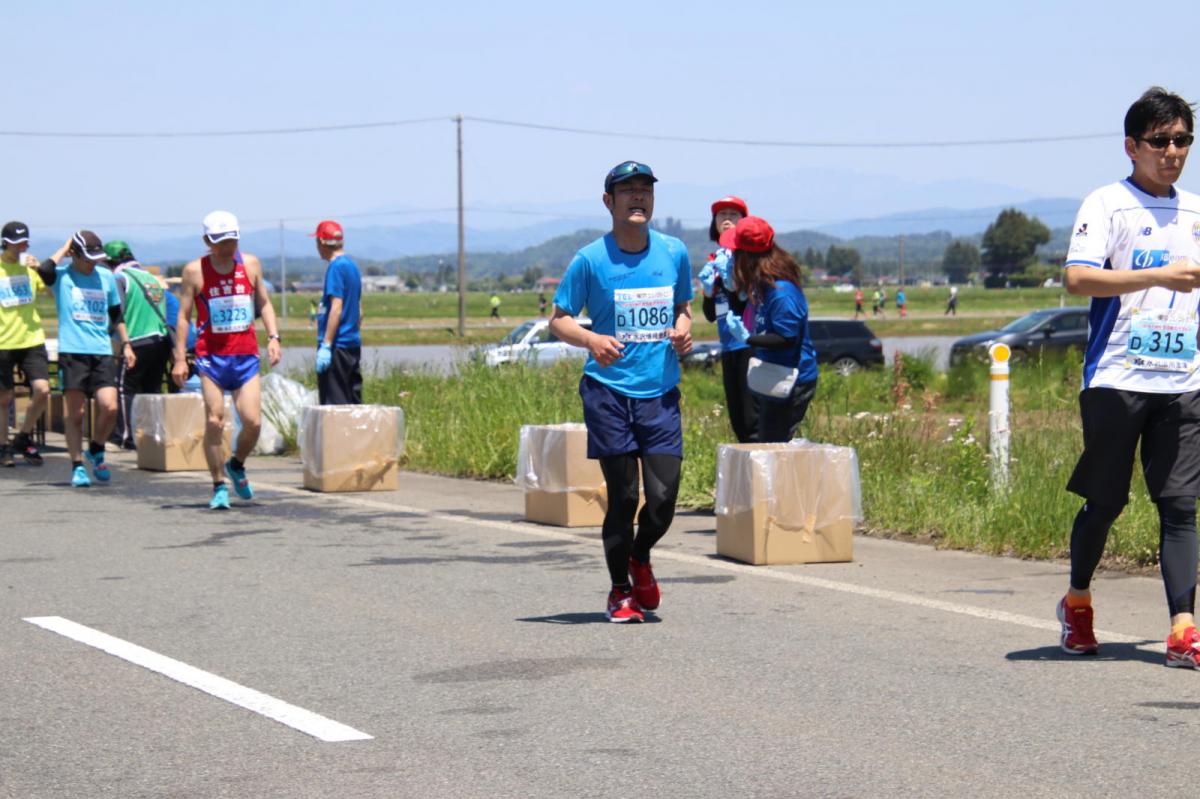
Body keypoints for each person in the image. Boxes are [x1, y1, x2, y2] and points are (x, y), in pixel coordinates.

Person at [1057, 87, 1200, 668]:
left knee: (1180, 505)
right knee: (1106, 500)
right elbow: (1077, 279)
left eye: (1183, 140)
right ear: (1131, 146)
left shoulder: (1195, 210)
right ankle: (1078, 601)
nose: (1173, 151)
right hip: (1117, 375)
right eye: (1160, 141)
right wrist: (1159, 276)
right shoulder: (1106, 204)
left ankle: (1183, 630)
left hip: (1183, 379)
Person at [550, 160, 693, 623]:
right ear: (608, 202)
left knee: (665, 496)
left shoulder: (674, 252)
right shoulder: (590, 259)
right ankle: (619, 592)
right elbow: (559, 318)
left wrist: (683, 332)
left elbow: (684, 309)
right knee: (625, 496)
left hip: (660, 392)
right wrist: (591, 339)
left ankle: (640, 556)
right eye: (627, 191)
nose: (638, 198)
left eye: (644, 191)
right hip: (608, 392)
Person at [172, 211, 282, 510]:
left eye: (232, 240)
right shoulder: (195, 271)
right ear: (207, 241)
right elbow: (183, 317)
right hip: (211, 357)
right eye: (220, 242)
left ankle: (236, 464)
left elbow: (264, 303)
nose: (227, 247)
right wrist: (180, 357)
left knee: (253, 422)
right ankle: (219, 484)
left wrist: (274, 337)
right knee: (214, 419)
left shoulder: (251, 264)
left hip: (245, 355)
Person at [36, 232, 135, 486]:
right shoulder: (62, 277)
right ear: (74, 254)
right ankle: (78, 464)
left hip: (101, 350)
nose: (94, 263)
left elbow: (116, 315)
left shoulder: (106, 277)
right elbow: (45, 269)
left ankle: (96, 447)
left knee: (110, 406)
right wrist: (65, 246)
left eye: (97, 258)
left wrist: (126, 344)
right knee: (77, 413)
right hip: (73, 352)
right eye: (88, 258)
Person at [722, 217, 818, 443]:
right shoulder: (761, 284)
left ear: (745, 256)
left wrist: (749, 339)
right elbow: (742, 308)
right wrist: (730, 288)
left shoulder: (782, 291)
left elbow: (786, 338)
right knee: (767, 442)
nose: (731, 257)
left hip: (792, 379)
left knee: (773, 446)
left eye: (734, 252)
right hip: (772, 374)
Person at [698, 195, 757, 443]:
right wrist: (710, 292)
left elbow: (749, 299)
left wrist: (733, 279)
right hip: (727, 346)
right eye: (722, 215)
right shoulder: (715, 259)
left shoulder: (749, 256)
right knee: (737, 418)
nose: (727, 219)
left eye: (734, 214)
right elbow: (710, 315)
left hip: (750, 345)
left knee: (753, 417)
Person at [106, 240, 171, 449]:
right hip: (160, 340)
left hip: (136, 341)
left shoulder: (120, 278)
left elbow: (117, 313)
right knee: (151, 390)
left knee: (125, 389)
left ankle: (124, 437)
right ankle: (152, 436)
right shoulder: (151, 278)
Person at [0, 221, 50, 467]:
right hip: (3, 341)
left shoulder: (30, 269)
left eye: (25, 243)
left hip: (32, 338)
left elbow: (51, 292)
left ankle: (22, 436)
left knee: (43, 389)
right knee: (4, 397)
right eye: (17, 243)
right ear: (5, 243)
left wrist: (40, 269)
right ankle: (3, 446)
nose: (21, 247)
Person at [310, 220, 362, 405]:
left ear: (322, 242)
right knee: (352, 403)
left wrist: (326, 345)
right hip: (352, 345)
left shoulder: (335, 267)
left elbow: (336, 307)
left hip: (337, 347)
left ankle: (335, 436)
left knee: (335, 407)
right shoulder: (352, 266)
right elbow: (359, 308)